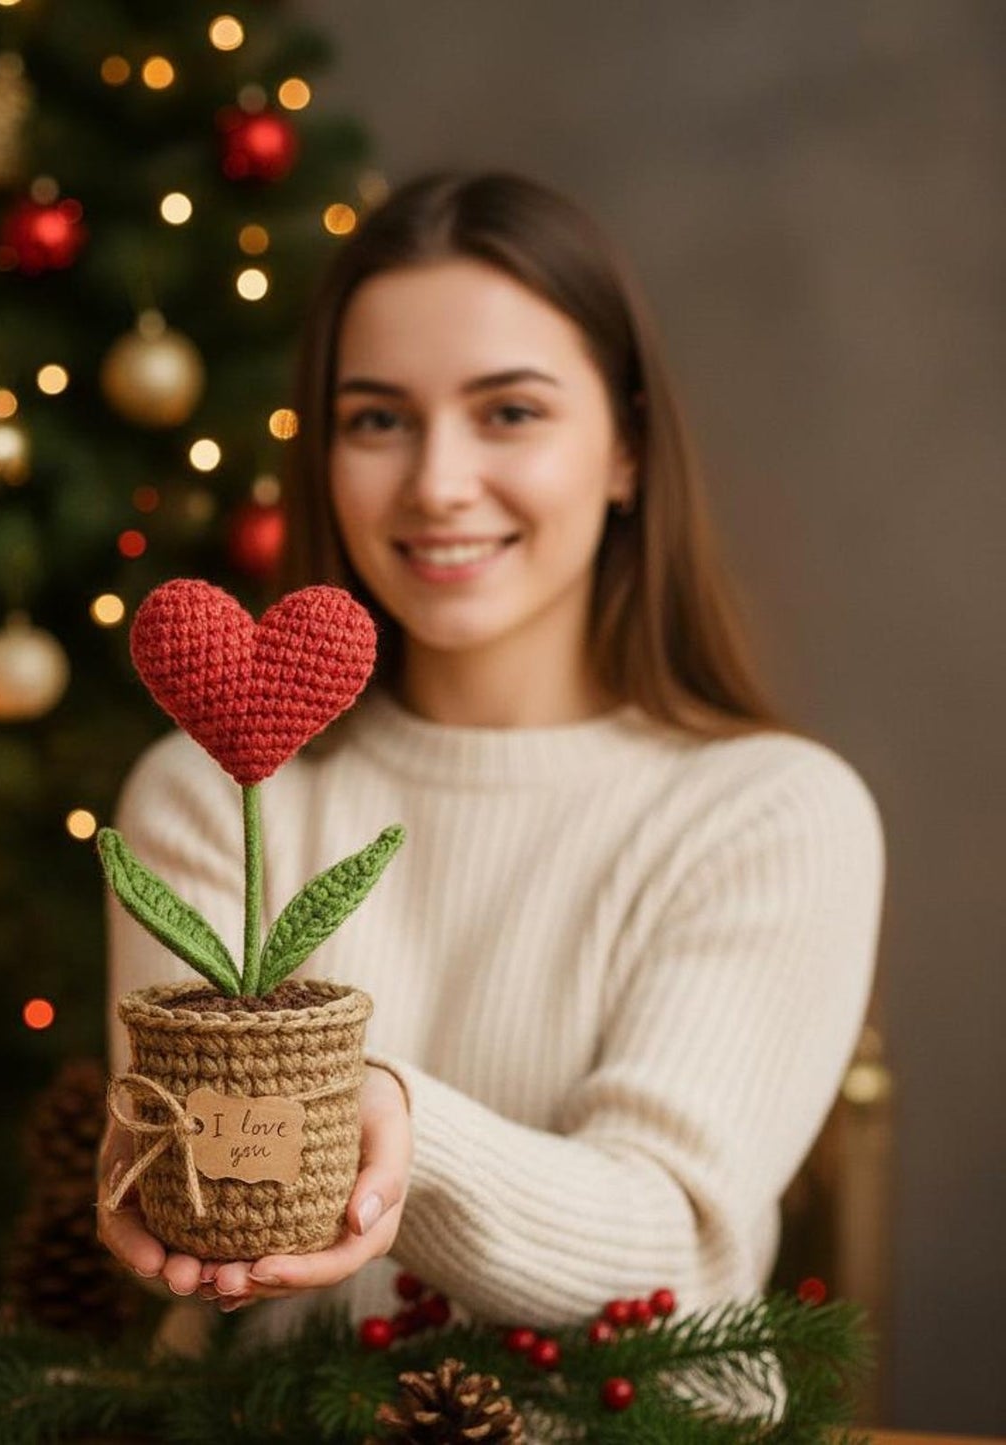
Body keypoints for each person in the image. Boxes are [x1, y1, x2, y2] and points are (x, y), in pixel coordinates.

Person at [95, 170, 886, 1349]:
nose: (436, 483)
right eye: (376, 418)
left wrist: (395, 1125)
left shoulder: (767, 812)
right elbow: (194, 1170)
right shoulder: (214, 791)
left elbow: (672, 1239)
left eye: (508, 411)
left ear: (624, 448)